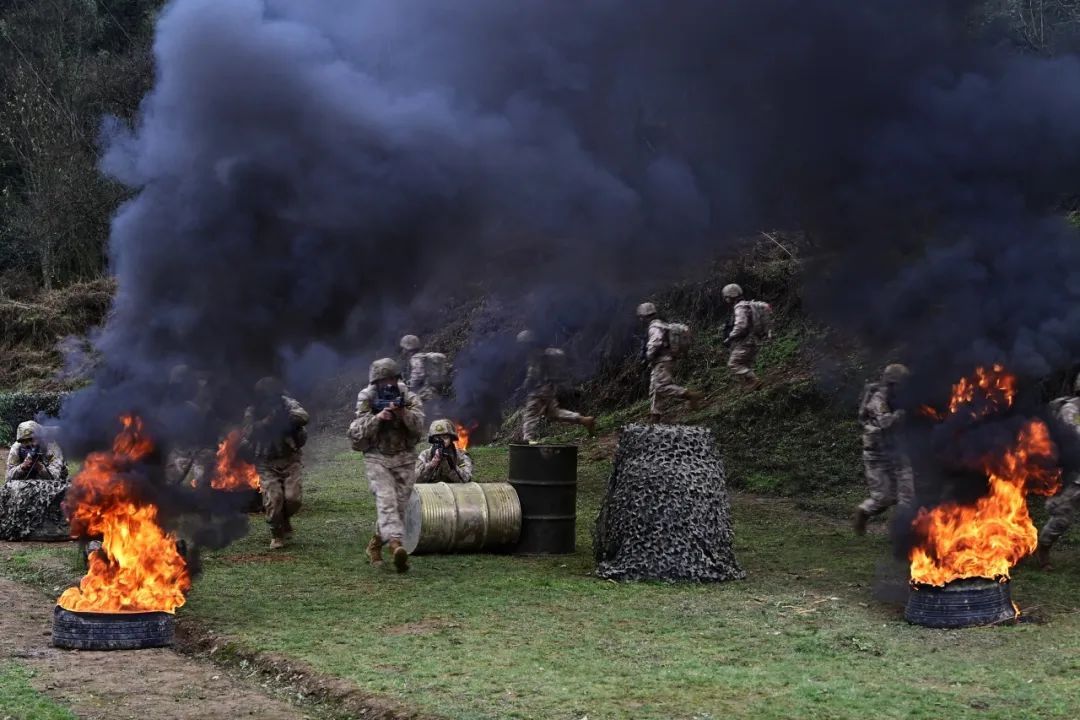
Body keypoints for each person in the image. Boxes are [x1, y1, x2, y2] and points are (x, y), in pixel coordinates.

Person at [347, 358, 425, 572]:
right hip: (377, 457)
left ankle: (374, 545)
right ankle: (395, 545)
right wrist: (378, 418)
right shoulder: (367, 397)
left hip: (405, 458)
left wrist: (403, 414)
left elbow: (419, 427)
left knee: (398, 508)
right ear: (375, 382)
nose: (388, 384)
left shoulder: (408, 396)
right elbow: (357, 430)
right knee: (386, 501)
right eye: (383, 380)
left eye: (391, 378)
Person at [242, 377, 309, 550]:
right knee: (274, 499)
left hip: (290, 458)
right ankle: (276, 533)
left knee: (293, 499)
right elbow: (248, 431)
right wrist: (266, 423)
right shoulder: (253, 410)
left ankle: (285, 519)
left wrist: (285, 418)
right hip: (266, 461)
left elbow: (303, 416)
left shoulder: (287, 404)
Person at [853, 364, 914, 535]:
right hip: (877, 454)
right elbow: (886, 423)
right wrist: (901, 414)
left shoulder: (897, 397)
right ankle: (863, 512)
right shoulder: (877, 399)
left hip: (897, 450)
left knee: (907, 495)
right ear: (892, 384)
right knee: (884, 498)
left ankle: (900, 531)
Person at [517, 330, 595, 444]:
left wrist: (526, 385)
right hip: (549, 387)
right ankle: (584, 420)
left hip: (539, 389)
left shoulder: (534, 354)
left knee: (530, 413)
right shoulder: (543, 352)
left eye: (521, 344)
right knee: (555, 413)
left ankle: (528, 439)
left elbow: (533, 373)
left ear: (526, 343)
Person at [1036, 373, 1080, 567]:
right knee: (1062, 516)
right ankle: (1043, 548)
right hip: (1074, 472)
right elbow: (1073, 437)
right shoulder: (1071, 410)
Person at [1, 421, 69, 540]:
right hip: (27, 485)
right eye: (24, 442)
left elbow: (55, 477)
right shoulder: (16, 449)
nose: (28, 445)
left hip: (50, 485)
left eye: (31, 440)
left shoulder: (51, 447)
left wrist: (40, 467)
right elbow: (9, 478)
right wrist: (22, 467)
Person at [637, 302, 702, 423]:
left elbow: (656, 342)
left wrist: (648, 355)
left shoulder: (654, 327)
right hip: (663, 360)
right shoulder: (661, 324)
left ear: (644, 316)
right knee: (654, 388)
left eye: (641, 316)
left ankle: (689, 395)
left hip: (662, 360)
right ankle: (655, 415)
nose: (640, 319)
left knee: (661, 386)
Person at [722, 284, 769, 388]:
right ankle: (752, 387)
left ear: (730, 296)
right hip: (754, 341)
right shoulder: (748, 305)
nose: (726, 300)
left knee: (733, 363)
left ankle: (755, 381)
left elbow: (741, 325)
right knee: (744, 364)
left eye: (726, 297)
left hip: (746, 342)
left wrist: (730, 337)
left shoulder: (740, 307)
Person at [400, 334, 451, 418]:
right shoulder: (423, 357)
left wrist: (408, 386)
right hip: (433, 392)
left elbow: (418, 375)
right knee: (436, 414)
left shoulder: (415, 358)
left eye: (403, 348)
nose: (403, 351)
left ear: (407, 347)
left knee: (427, 416)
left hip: (424, 394)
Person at [415, 419, 473, 483]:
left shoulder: (461, 455)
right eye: (437, 438)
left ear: (451, 438)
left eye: (445, 437)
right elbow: (415, 480)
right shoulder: (425, 455)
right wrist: (432, 464)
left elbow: (465, 479)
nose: (442, 441)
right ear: (432, 439)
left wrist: (448, 463)